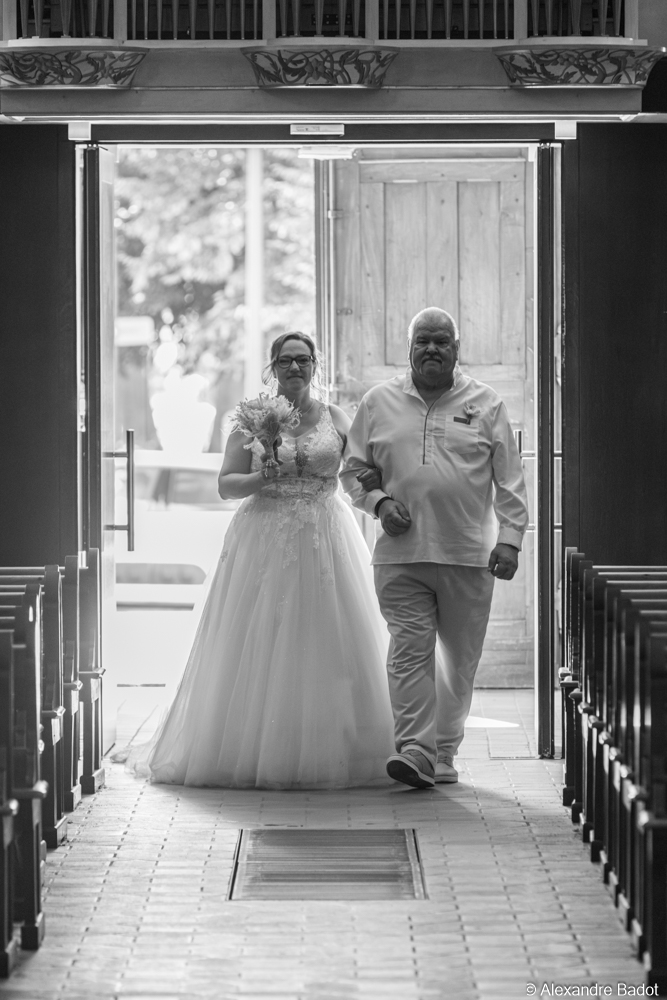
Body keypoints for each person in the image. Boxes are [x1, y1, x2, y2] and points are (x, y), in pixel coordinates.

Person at [129, 331, 395, 789]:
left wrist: (381, 492)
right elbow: (225, 484)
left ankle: (334, 744)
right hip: (265, 534)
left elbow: (361, 467)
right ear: (272, 368)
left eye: (303, 360)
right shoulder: (251, 420)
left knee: (328, 636)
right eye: (286, 360)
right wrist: (260, 478)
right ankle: (255, 748)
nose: (295, 368)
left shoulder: (335, 416)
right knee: (263, 635)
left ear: (314, 366)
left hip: (326, 532)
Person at [340, 307, 529, 790]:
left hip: (469, 555)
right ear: (409, 348)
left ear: (456, 349)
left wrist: (510, 540)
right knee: (409, 652)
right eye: (422, 341)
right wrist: (380, 503)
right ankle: (416, 750)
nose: (431, 349)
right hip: (400, 556)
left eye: (441, 341)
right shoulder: (379, 402)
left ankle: (443, 751)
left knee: (459, 663)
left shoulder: (486, 403)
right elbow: (352, 470)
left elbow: (510, 480)